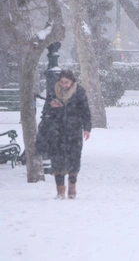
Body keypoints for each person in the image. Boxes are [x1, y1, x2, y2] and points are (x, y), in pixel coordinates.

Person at [38, 70, 92, 199]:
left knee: (74, 159)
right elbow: (45, 111)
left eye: (66, 82)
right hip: (56, 131)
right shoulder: (53, 91)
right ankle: (60, 191)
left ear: (72, 81)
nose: (64, 85)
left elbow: (85, 111)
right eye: (61, 82)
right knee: (57, 160)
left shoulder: (79, 92)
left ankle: (72, 188)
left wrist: (87, 128)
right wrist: (52, 107)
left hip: (73, 130)